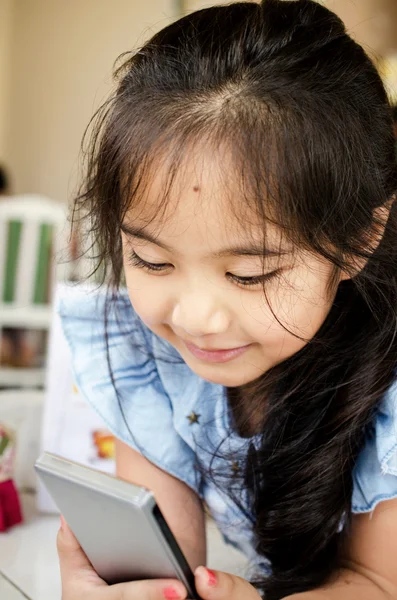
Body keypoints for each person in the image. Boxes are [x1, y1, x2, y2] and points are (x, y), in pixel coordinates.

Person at [57, 1, 397, 599]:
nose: (195, 318)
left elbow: (377, 580)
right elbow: (168, 570)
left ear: (359, 241)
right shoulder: (152, 359)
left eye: (249, 273)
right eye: (151, 261)